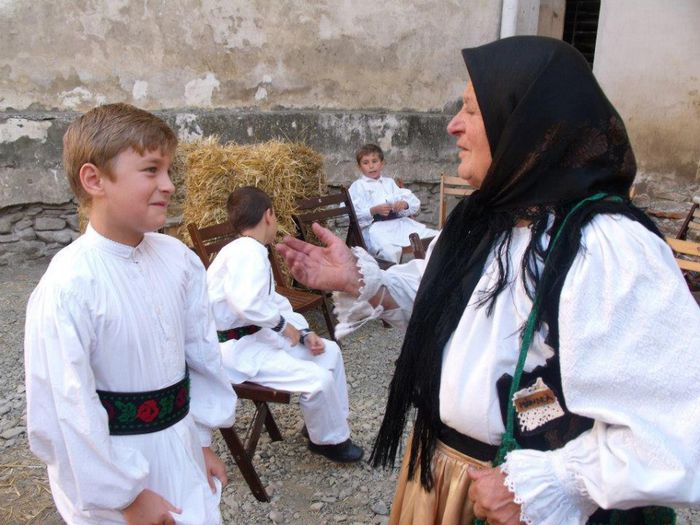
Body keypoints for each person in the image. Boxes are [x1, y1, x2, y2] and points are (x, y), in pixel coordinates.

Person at [278, 36, 700, 525]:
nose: (453, 125)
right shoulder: (483, 219)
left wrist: (558, 482)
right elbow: (440, 300)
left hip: (520, 501)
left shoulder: (605, 246)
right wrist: (363, 282)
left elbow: (680, 426)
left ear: (525, 125)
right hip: (442, 476)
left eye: (472, 110)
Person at [24, 103, 237, 525]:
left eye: (169, 171)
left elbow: (201, 354)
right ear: (94, 179)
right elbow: (64, 408)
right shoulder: (69, 286)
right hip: (117, 477)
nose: (169, 185)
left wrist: (201, 441)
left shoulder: (179, 260)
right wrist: (125, 497)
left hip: (180, 450)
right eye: (151, 170)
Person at [206, 186, 364, 463]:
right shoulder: (247, 252)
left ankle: (323, 425)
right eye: (276, 216)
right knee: (318, 380)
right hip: (237, 350)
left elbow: (272, 302)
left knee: (330, 352)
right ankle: (329, 441)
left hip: (256, 338)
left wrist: (302, 333)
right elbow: (247, 303)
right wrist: (283, 327)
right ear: (269, 215)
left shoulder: (249, 250)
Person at [349, 143, 438, 264]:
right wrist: (373, 210)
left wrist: (404, 204)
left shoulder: (389, 183)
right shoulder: (358, 186)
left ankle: (430, 270)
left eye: (374, 161)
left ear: (382, 163)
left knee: (435, 237)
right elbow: (351, 214)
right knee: (390, 251)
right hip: (377, 230)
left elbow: (413, 202)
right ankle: (391, 274)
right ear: (359, 167)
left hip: (399, 225)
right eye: (365, 163)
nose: (371, 166)